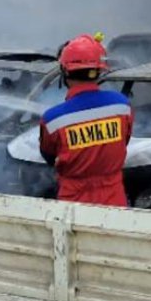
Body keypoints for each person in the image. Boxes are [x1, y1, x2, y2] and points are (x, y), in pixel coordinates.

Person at [39, 33, 133, 206]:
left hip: (73, 206)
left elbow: (49, 156)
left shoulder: (53, 120)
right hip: (114, 201)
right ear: (98, 71)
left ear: (65, 71)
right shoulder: (122, 106)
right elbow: (123, 141)